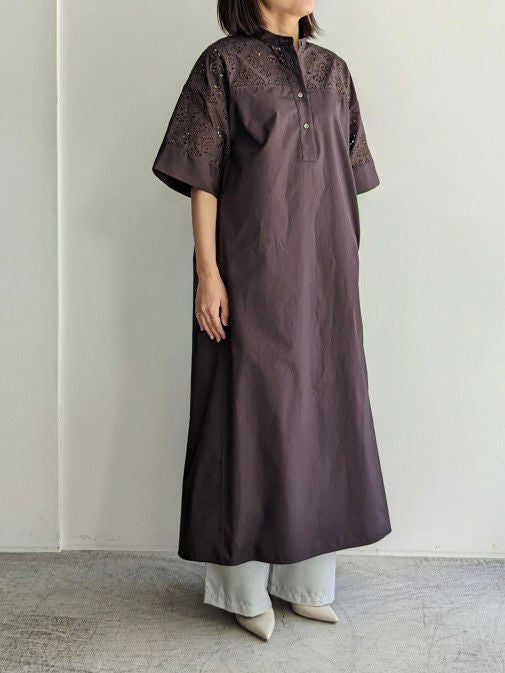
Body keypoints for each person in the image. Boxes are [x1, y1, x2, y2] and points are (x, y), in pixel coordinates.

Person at [152, 0, 391, 641]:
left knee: (323, 410)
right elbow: (203, 179)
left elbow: (346, 173)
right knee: (248, 413)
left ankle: (306, 583)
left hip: (325, 273)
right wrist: (209, 272)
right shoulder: (223, 66)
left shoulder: (335, 72)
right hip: (251, 268)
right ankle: (242, 588)